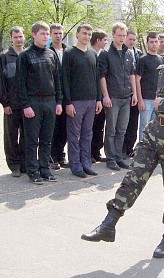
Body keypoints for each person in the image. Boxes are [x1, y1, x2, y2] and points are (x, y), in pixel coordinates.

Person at [81, 26, 164, 259]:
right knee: (133, 178)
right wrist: (161, 108)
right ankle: (109, 224)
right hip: (153, 135)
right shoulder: (163, 70)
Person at [16, 21, 62, 184]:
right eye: (42, 34)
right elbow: (20, 82)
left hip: (50, 101)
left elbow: (57, 79)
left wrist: (59, 101)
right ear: (34, 35)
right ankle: (32, 171)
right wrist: (26, 105)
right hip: (33, 103)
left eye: (47, 34)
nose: (46, 36)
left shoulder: (51, 54)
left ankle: (45, 169)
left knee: (47, 139)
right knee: (31, 140)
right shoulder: (25, 55)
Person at [62, 23, 102, 178]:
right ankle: (75, 165)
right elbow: (65, 78)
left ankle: (86, 163)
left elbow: (96, 78)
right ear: (77, 34)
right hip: (76, 102)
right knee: (74, 135)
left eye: (89, 34)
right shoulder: (70, 53)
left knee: (87, 134)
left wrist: (98, 99)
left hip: (91, 101)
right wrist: (68, 102)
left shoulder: (93, 53)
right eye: (84, 33)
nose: (87, 36)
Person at [98, 23, 137, 171]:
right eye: (119, 35)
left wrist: (134, 93)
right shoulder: (105, 54)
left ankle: (119, 157)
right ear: (113, 35)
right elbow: (102, 76)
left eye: (124, 35)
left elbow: (131, 74)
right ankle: (111, 158)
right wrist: (105, 95)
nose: (122, 38)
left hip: (126, 96)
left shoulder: (129, 53)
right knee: (111, 130)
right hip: (113, 97)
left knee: (122, 129)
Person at [0, 26, 26, 178]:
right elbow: (1, 82)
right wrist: (5, 103)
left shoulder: (28, 54)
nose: (18, 39)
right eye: (15, 37)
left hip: (27, 104)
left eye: (21, 36)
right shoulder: (4, 56)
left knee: (26, 135)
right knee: (11, 135)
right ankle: (14, 165)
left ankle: (24, 163)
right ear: (11, 38)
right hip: (11, 104)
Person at [135, 32, 163, 141]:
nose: (154, 44)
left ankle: (151, 151)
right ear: (147, 43)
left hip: (157, 99)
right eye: (151, 42)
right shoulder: (143, 59)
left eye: (156, 41)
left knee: (154, 128)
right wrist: (140, 100)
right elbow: (137, 80)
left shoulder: (161, 59)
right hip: (146, 99)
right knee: (144, 127)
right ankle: (142, 151)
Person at [49, 23, 69, 170]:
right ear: (50, 35)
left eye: (60, 33)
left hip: (67, 95)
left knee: (64, 128)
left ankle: (61, 155)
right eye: (55, 33)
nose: (58, 35)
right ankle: (52, 157)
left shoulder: (68, 51)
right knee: (53, 128)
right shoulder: (47, 51)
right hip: (53, 96)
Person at [123, 29, 143, 158]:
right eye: (129, 39)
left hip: (135, 93)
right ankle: (122, 149)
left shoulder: (139, 54)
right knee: (123, 123)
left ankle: (129, 148)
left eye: (134, 39)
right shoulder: (121, 52)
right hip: (123, 92)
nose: (132, 42)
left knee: (133, 123)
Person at [90, 29, 108, 163]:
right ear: (98, 40)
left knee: (99, 125)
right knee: (89, 126)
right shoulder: (90, 54)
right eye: (105, 40)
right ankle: (89, 152)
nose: (106, 43)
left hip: (101, 97)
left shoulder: (103, 54)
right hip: (90, 96)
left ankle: (96, 151)